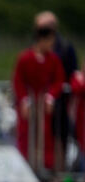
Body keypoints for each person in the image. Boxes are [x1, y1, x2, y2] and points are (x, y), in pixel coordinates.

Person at [12, 26, 64, 171]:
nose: (51, 45)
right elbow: (18, 81)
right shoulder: (25, 58)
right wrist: (24, 100)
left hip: (43, 104)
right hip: (29, 102)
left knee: (45, 136)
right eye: (49, 41)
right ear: (41, 40)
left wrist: (50, 97)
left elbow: (58, 80)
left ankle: (45, 170)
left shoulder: (53, 59)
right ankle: (24, 169)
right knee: (25, 135)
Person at [35, 11, 79, 171]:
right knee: (39, 138)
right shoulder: (35, 49)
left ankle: (60, 173)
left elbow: (70, 74)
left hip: (61, 101)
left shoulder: (65, 48)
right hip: (40, 101)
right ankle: (42, 172)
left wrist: (56, 95)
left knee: (61, 138)